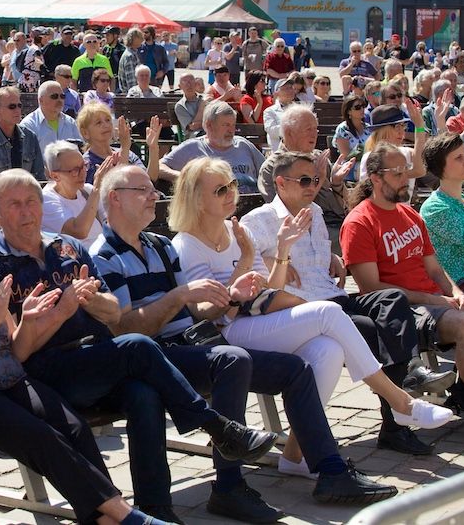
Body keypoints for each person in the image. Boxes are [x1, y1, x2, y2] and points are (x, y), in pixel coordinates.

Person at [91, 164, 401, 518]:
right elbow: (128, 330)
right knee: (233, 359)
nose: (154, 196)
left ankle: (330, 471)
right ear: (115, 199)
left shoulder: (160, 246)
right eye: (142, 190)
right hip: (156, 356)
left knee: (296, 369)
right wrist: (179, 297)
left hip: (192, 343)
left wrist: (231, 291)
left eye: (152, 188)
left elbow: (201, 312)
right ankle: (228, 486)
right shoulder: (105, 255)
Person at [0, 169, 281, 523]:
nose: (26, 211)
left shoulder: (67, 247)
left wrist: (90, 302)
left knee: (143, 392)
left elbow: (112, 312)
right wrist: (62, 312)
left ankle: (156, 508)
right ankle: (214, 425)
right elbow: (18, 353)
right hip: (50, 371)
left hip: (97, 356)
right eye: (14, 205)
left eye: (32, 202)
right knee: (136, 345)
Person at [171, 157, 452, 436]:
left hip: (267, 313)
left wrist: (282, 252)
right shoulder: (189, 244)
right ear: (195, 199)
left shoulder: (238, 232)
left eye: (232, 185)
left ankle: (299, 455)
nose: (231, 193)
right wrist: (245, 269)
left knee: (331, 348)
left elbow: (270, 290)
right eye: (221, 190)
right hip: (229, 330)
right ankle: (400, 403)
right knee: (330, 314)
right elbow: (208, 312)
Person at [244, 152, 456, 455]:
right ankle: (396, 423)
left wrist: (333, 259)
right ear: (280, 182)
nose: (312, 186)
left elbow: (318, 264)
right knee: (373, 330)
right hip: (304, 311)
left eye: (316, 180)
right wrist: (274, 257)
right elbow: (245, 271)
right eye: (304, 180)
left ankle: (409, 374)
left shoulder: (315, 213)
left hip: (335, 297)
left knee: (392, 300)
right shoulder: (260, 220)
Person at [342, 142, 464, 411]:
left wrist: (455, 293)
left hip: (433, 301)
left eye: (406, 171)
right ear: (376, 178)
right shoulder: (359, 222)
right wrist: (436, 300)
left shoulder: (409, 214)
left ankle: (463, 395)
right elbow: (372, 287)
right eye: (397, 173)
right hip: (402, 311)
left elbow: (434, 269)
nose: (406, 180)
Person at [258, 105, 354, 249]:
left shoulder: (319, 158)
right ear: (289, 133)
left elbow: (344, 207)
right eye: (308, 129)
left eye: (316, 129)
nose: (314, 134)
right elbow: (285, 214)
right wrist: (319, 181)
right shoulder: (273, 168)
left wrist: (337, 183)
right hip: (303, 233)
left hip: (337, 224)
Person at [160, 101, 265, 193]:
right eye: (226, 125)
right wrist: (187, 178)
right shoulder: (193, 147)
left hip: (251, 205)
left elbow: (268, 170)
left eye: (233, 125)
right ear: (209, 125)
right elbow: (159, 167)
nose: (231, 130)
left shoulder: (243, 145)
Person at [421, 132, 464, 290]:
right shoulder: (435, 208)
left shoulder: (463, 199)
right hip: (460, 287)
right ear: (440, 166)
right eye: (458, 158)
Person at [41, 141, 110, 249]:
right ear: (55, 176)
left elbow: (112, 224)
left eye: (84, 166)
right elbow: (79, 231)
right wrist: (97, 189)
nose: (83, 173)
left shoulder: (87, 190)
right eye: (75, 170)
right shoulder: (46, 200)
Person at [0, 86, 45, 183]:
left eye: (19, 106)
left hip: (27, 195)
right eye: (12, 107)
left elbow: (39, 177)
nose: (17, 110)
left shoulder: (30, 137)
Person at [79, 102, 160, 184]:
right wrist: (124, 148)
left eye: (107, 120)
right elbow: (117, 188)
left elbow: (149, 180)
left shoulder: (130, 154)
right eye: (98, 122)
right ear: (85, 133)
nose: (106, 125)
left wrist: (153, 147)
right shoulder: (86, 164)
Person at [359, 104, 427, 200]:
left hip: (401, 213)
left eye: (403, 126)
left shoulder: (406, 152)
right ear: (382, 130)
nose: (402, 132)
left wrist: (421, 125)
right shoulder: (369, 157)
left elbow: (421, 167)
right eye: (396, 126)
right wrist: (419, 127)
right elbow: (418, 170)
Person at [20, 81, 82, 154]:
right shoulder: (29, 126)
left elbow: (80, 150)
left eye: (62, 96)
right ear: (41, 100)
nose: (60, 100)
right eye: (54, 96)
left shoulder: (70, 122)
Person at [332, 95, 370, 173]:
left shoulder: (368, 128)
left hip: (368, 164)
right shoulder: (342, 129)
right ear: (349, 111)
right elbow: (346, 155)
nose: (362, 109)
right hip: (349, 167)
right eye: (357, 107)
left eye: (363, 106)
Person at [262, 77, 298, 151]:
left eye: (291, 88)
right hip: (279, 152)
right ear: (277, 93)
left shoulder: (300, 109)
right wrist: (292, 127)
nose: (290, 91)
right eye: (285, 88)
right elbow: (271, 130)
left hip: (299, 151)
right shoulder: (270, 111)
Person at [117, 28, 143, 93]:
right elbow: (131, 81)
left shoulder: (133, 53)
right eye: (140, 37)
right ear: (134, 39)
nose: (142, 40)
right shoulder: (129, 56)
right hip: (132, 96)